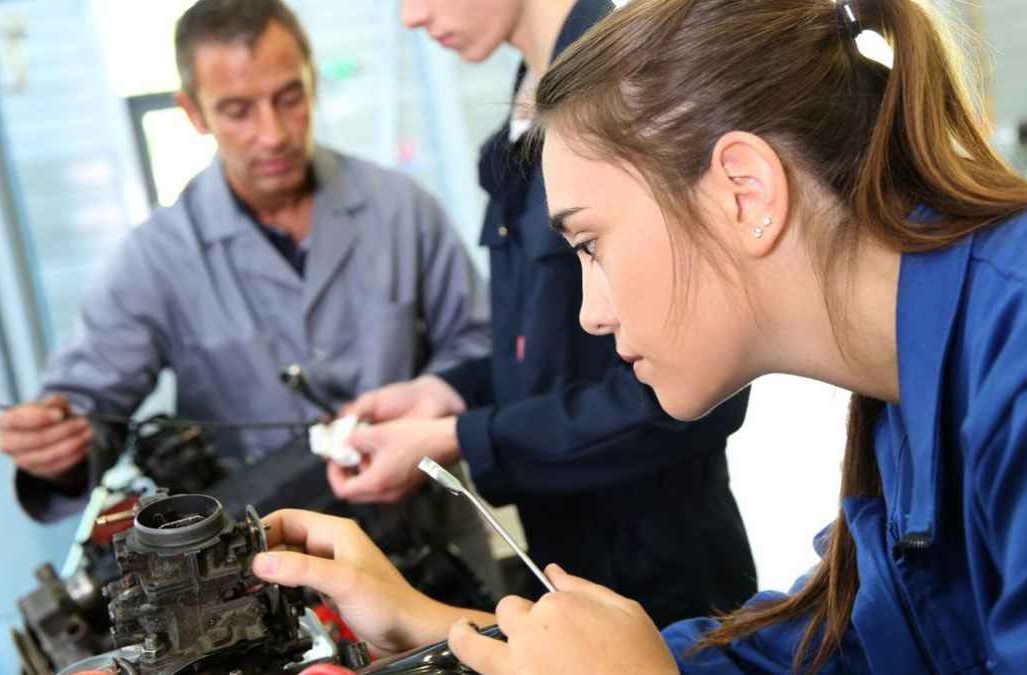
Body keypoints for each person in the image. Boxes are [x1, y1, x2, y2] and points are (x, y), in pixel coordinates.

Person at [252, 0, 1027, 672]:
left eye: (590, 243)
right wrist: (435, 632)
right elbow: (835, 648)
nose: (590, 309)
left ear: (744, 191)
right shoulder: (904, 409)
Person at [0, 0, 498, 595]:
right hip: (267, 583)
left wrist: (423, 416)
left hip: (434, 552)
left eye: (289, 97)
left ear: (312, 79)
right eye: (237, 110)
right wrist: (55, 449)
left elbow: (479, 346)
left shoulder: (401, 209)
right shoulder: (156, 257)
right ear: (193, 112)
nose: (274, 133)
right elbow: (87, 406)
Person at [323, 0, 757, 627]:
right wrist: (444, 392)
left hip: (666, 582)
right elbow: (541, 346)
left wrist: (457, 439)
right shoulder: (525, 125)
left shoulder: (631, 91)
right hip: (568, 566)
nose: (411, 17)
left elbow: (678, 400)